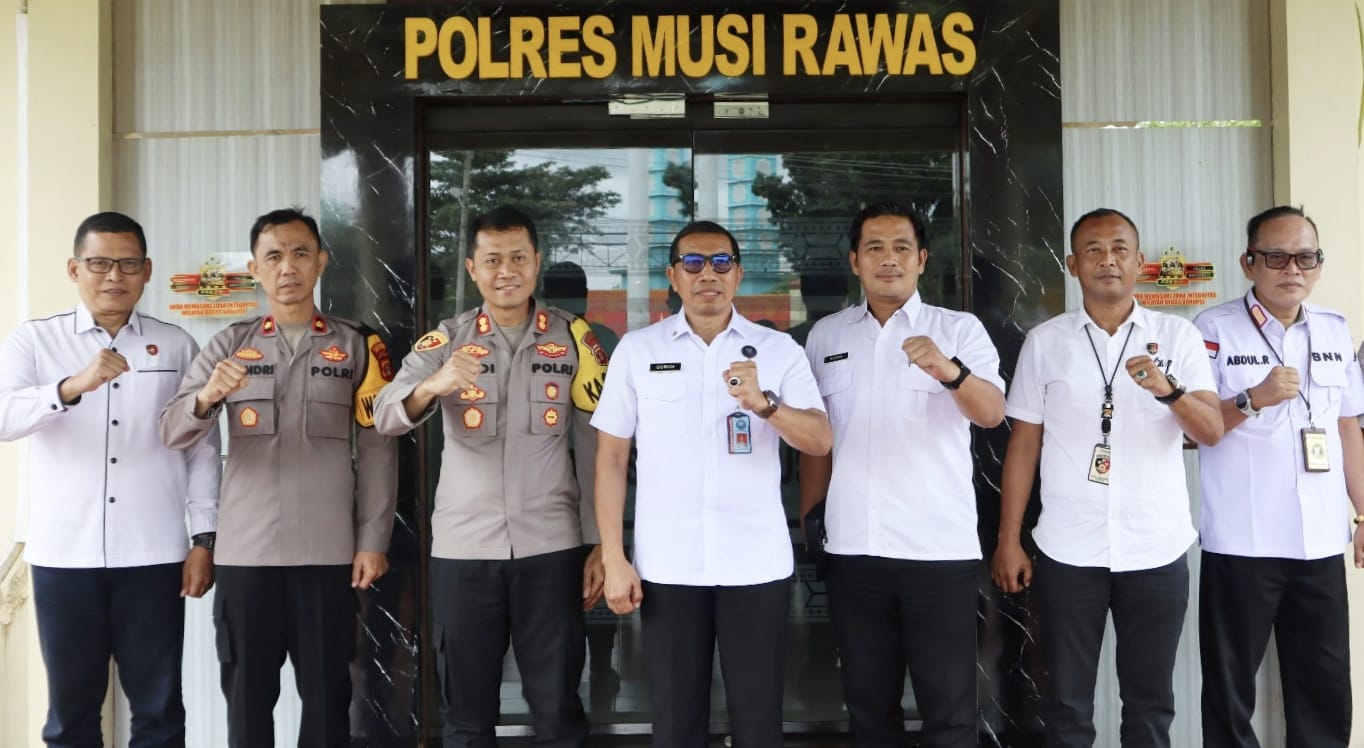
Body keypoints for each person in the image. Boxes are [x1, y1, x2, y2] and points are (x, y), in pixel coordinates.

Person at [159, 207, 397, 748]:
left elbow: (379, 450)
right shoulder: (228, 345)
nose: (287, 267)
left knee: (328, 701)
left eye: (299, 253)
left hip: (328, 553)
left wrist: (373, 540)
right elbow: (172, 431)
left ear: (321, 262)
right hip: (246, 555)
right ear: (255, 269)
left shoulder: (357, 345)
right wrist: (207, 395)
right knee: (247, 701)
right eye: (273, 256)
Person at [373, 206, 608, 747]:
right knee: (466, 714)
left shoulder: (574, 337)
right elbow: (384, 415)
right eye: (493, 260)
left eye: (518, 258)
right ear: (473, 269)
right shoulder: (446, 340)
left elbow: (597, 445)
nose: (507, 271)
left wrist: (600, 542)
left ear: (537, 262)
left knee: (558, 709)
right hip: (465, 551)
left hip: (551, 548)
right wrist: (433, 385)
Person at [593, 220, 833, 748]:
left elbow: (819, 440)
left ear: (738, 274)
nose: (709, 273)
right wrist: (613, 556)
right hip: (668, 567)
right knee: (676, 724)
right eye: (694, 262)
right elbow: (610, 458)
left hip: (756, 565)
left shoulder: (777, 350)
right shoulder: (637, 349)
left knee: (759, 723)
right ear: (673, 276)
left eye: (722, 262)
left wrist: (765, 405)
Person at [991, 208, 1224, 747]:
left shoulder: (1178, 336)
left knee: (1150, 704)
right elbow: (1023, 444)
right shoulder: (1045, 342)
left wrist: (1169, 391)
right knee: (1065, 704)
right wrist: (1009, 539)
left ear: (1139, 262)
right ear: (1072, 264)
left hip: (1155, 547)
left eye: (1120, 249)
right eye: (1093, 250)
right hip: (1069, 549)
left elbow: (1211, 430)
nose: (1108, 260)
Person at [0, 211, 220, 748]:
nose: (114, 276)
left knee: (160, 712)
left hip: (154, 555)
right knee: (70, 716)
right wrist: (71, 386)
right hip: (63, 556)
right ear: (74, 268)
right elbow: (4, 419)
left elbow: (202, 447)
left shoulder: (176, 345)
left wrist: (204, 539)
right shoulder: (35, 340)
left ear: (147, 271)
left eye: (127, 264)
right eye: (99, 263)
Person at [799, 201, 1005, 747]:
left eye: (900, 248)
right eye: (875, 248)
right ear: (854, 261)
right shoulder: (826, 336)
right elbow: (816, 437)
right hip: (854, 550)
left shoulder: (958, 330)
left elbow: (992, 412)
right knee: (869, 709)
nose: (888, 259)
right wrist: (811, 516)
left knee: (949, 709)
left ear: (922, 259)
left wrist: (948, 370)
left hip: (937, 551)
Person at [1193, 205, 1364, 748]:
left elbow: (1347, 427)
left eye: (1305, 257)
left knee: (1324, 687)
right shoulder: (1213, 329)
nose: (1292, 268)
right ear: (1249, 263)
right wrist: (1253, 398)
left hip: (1320, 540)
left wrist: (1363, 513)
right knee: (1230, 691)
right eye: (1276, 257)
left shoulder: (1334, 327)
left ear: (1319, 265)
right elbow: (1197, 428)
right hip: (1243, 540)